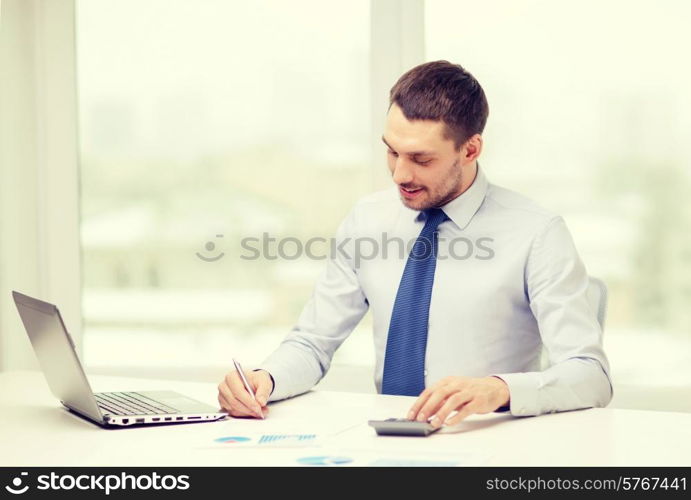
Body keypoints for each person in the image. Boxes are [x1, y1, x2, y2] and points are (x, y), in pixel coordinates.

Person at [217, 60, 613, 428]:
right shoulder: (367, 219)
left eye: (421, 159)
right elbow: (313, 343)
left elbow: (590, 375)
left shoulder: (537, 233)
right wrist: (264, 379)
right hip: (386, 445)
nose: (399, 174)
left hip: (487, 443)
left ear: (470, 149)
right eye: (391, 151)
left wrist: (499, 390)